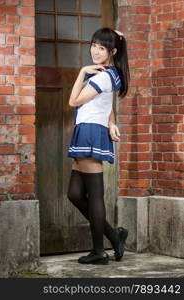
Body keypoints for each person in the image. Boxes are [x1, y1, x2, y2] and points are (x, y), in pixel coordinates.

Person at [67, 27, 130, 265]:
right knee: (74, 194)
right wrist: (111, 121)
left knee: (94, 195)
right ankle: (115, 237)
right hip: (89, 129)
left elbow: (73, 101)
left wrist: (82, 72)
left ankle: (99, 251)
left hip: (90, 132)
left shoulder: (101, 75)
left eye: (101, 47)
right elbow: (105, 102)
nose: (95, 51)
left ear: (112, 51)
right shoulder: (108, 72)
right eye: (93, 45)